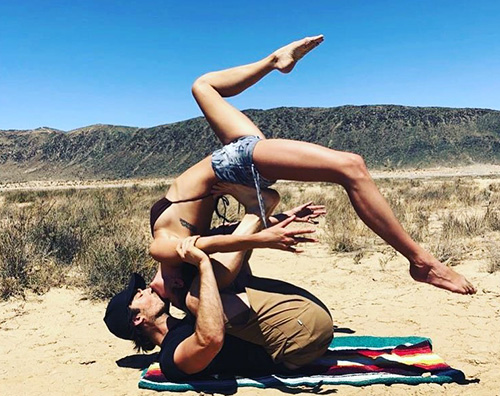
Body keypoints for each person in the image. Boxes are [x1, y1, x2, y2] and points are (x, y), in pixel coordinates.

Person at [150, 34, 476, 295]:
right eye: (172, 298)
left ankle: (275, 61)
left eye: (158, 293)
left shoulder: (161, 248)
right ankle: (420, 261)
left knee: (202, 86)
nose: (170, 289)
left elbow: (210, 241)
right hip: (232, 166)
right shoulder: (192, 266)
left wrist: (273, 221)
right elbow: (212, 244)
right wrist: (265, 227)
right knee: (350, 167)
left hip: (233, 159)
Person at [105, 210, 333, 380]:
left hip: (306, 326)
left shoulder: (188, 318)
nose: (146, 289)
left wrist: (278, 219)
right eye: (138, 294)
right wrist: (203, 265)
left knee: (199, 290)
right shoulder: (171, 356)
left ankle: (257, 216)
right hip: (299, 345)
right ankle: (253, 214)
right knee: (197, 293)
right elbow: (210, 340)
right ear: (138, 319)